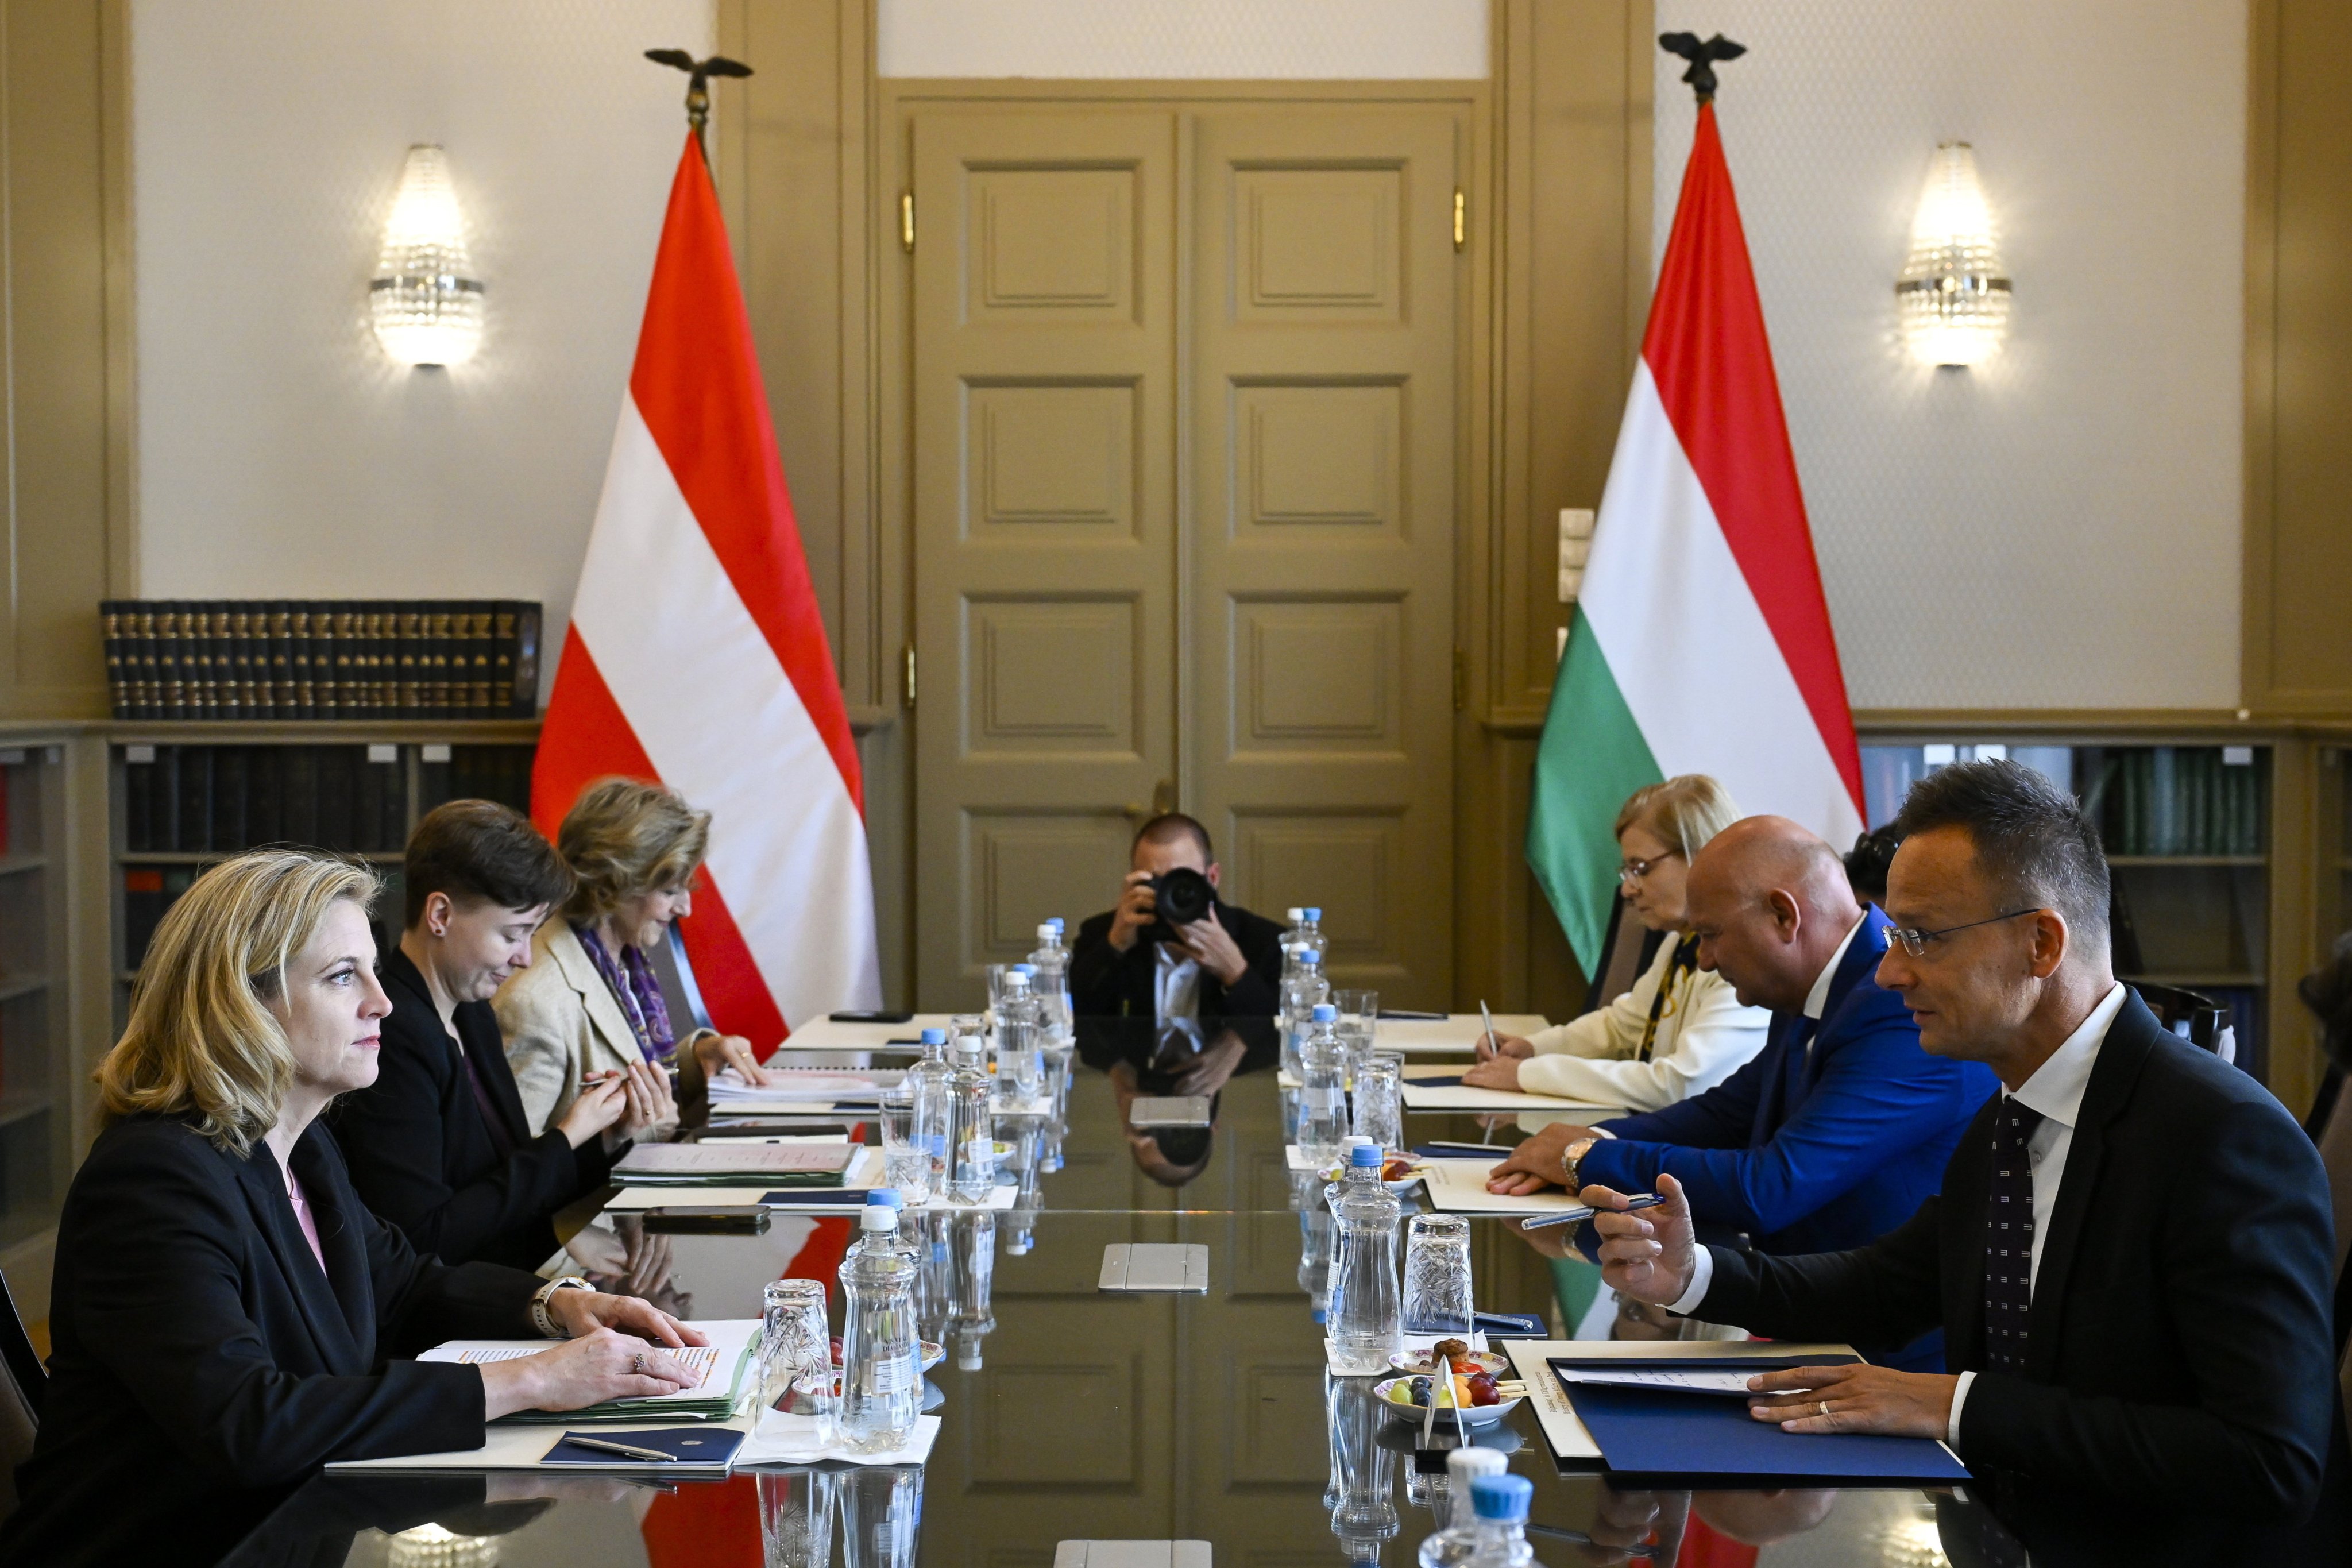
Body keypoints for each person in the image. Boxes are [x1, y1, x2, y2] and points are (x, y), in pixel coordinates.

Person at [1582, 760, 2343, 1530]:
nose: (1885, 970)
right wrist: (1688, 1272)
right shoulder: (2010, 1110)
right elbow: (1883, 1287)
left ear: (2040, 943)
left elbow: (2267, 1461)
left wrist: (1953, 1402)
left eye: (1919, 936)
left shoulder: (2222, 1139)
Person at [2, 850, 708, 1567]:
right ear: (242, 1004)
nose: (384, 1001)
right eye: (344, 977)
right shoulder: (152, 1178)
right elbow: (253, 1422)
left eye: (372, 970)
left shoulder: (304, 1149)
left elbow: (401, 1281)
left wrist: (554, 1305)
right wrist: (532, 1380)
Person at [1487, 815, 1998, 1368]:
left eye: (1709, 935)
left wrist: (1584, 1158)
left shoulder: (1892, 1005)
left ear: (1784, 915)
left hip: (1887, 1356)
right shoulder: (1817, 984)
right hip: (1802, 1315)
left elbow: (1773, 1186)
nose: (1703, 959)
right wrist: (1589, 1142)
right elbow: (1728, 1112)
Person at [334, 800, 671, 1269]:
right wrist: (567, 1135)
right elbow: (425, 1238)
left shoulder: (472, 1013)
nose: (525, 958)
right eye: (513, 934)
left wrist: (605, 1137)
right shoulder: (391, 1036)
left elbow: (506, 1190)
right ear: (440, 915)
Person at [1462, 775, 1770, 1111]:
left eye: (1641, 869)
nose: (1628, 889)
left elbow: (1682, 1084)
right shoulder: (1678, 943)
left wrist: (1529, 1074)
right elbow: (1623, 1025)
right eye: (1627, 872)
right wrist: (1534, 1048)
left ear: (1701, 854)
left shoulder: (1744, 958)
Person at [497, 777, 777, 1137]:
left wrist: (697, 1060)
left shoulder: (620, 959)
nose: (686, 909)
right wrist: (614, 1135)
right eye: (670, 890)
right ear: (615, 883)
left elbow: (633, 1074)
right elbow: (524, 1168)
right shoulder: (533, 1002)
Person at [1069, 813, 1285, 1019]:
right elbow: (1070, 1023)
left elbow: (1284, 1038)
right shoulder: (1102, 934)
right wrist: (1114, 947)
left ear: (1212, 877)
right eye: (1155, 882)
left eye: (1181, 881)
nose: (1167, 894)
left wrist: (1236, 973)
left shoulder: (1265, 943)